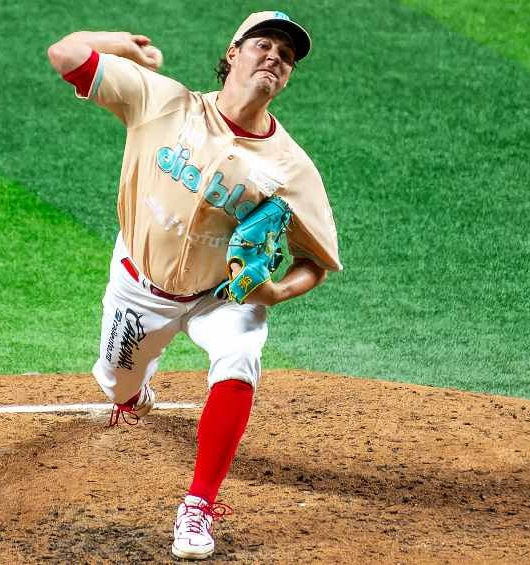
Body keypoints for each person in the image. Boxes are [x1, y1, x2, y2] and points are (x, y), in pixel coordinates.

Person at [47, 10, 342, 560]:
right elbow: (65, 54)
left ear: (288, 77)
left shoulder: (292, 168)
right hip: (140, 285)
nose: (275, 57)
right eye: (263, 45)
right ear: (233, 53)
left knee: (240, 357)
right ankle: (134, 395)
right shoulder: (163, 102)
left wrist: (277, 292)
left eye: (287, 55)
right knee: (116, 386)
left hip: (220, 298)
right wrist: (123, 46)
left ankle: (198, 506)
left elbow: (315, 261)